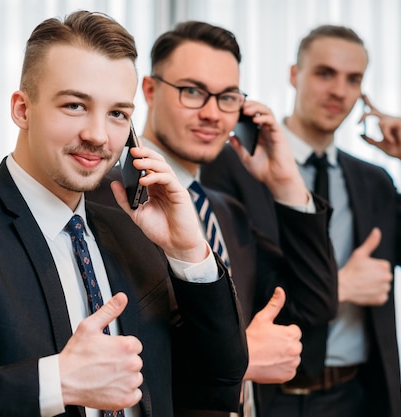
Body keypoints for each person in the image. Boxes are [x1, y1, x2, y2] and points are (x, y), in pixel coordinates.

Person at [0, 11, 249, 417]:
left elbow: (219, 381)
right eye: (75, 105)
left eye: (117, 114)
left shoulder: (133, 235)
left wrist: (189, 250)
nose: (98, 135)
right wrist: (58, 382)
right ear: (22, 109)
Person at [201, 24, 401, 417]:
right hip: (268, 397)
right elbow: (229, 295)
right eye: (325, 73)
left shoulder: (373, 181)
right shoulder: (232, 164)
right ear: (295, 75)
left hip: (356, 396)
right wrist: (341, 286)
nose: (339, 91)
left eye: (353, 79)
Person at [89, 21, 338, 417]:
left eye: (227, 98)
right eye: (192, 92)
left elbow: (315, 306)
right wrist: (236, 361)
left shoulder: (227, 211)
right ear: (150, 91)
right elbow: (104, 360)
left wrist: (287, 185)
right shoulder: (102, 201)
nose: (211, 113)